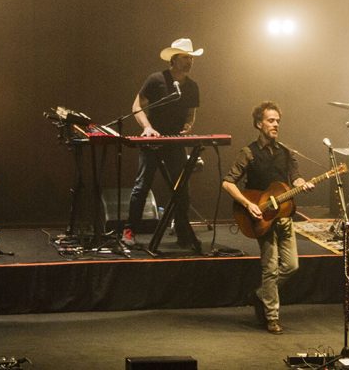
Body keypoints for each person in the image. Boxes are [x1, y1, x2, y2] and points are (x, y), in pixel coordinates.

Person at [222, 101, 313, 334]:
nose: (275, 125)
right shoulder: (249, 152)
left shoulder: (286, 152)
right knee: (270, 268)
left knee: (291, 266)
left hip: (284, 216)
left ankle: (260, 294)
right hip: (262, 217)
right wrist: (248, 203)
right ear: (258, 124)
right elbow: (228, 182)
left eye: (277, 121)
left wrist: (303, 184)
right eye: (271, 120)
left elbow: (296, 178)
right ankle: (272, 317)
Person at [123, 38, 203, 253]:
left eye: (191, 58)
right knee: (142, 186)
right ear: (174, 60)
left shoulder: (192, 86)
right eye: (185, 57)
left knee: (181, 187)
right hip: (152, 140)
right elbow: (137, 105)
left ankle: (183, 232)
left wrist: (188, 125)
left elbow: (191, 112)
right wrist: (147, 127)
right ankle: (129, 231)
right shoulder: (156, 79)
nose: (189, 61)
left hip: (175, 141)